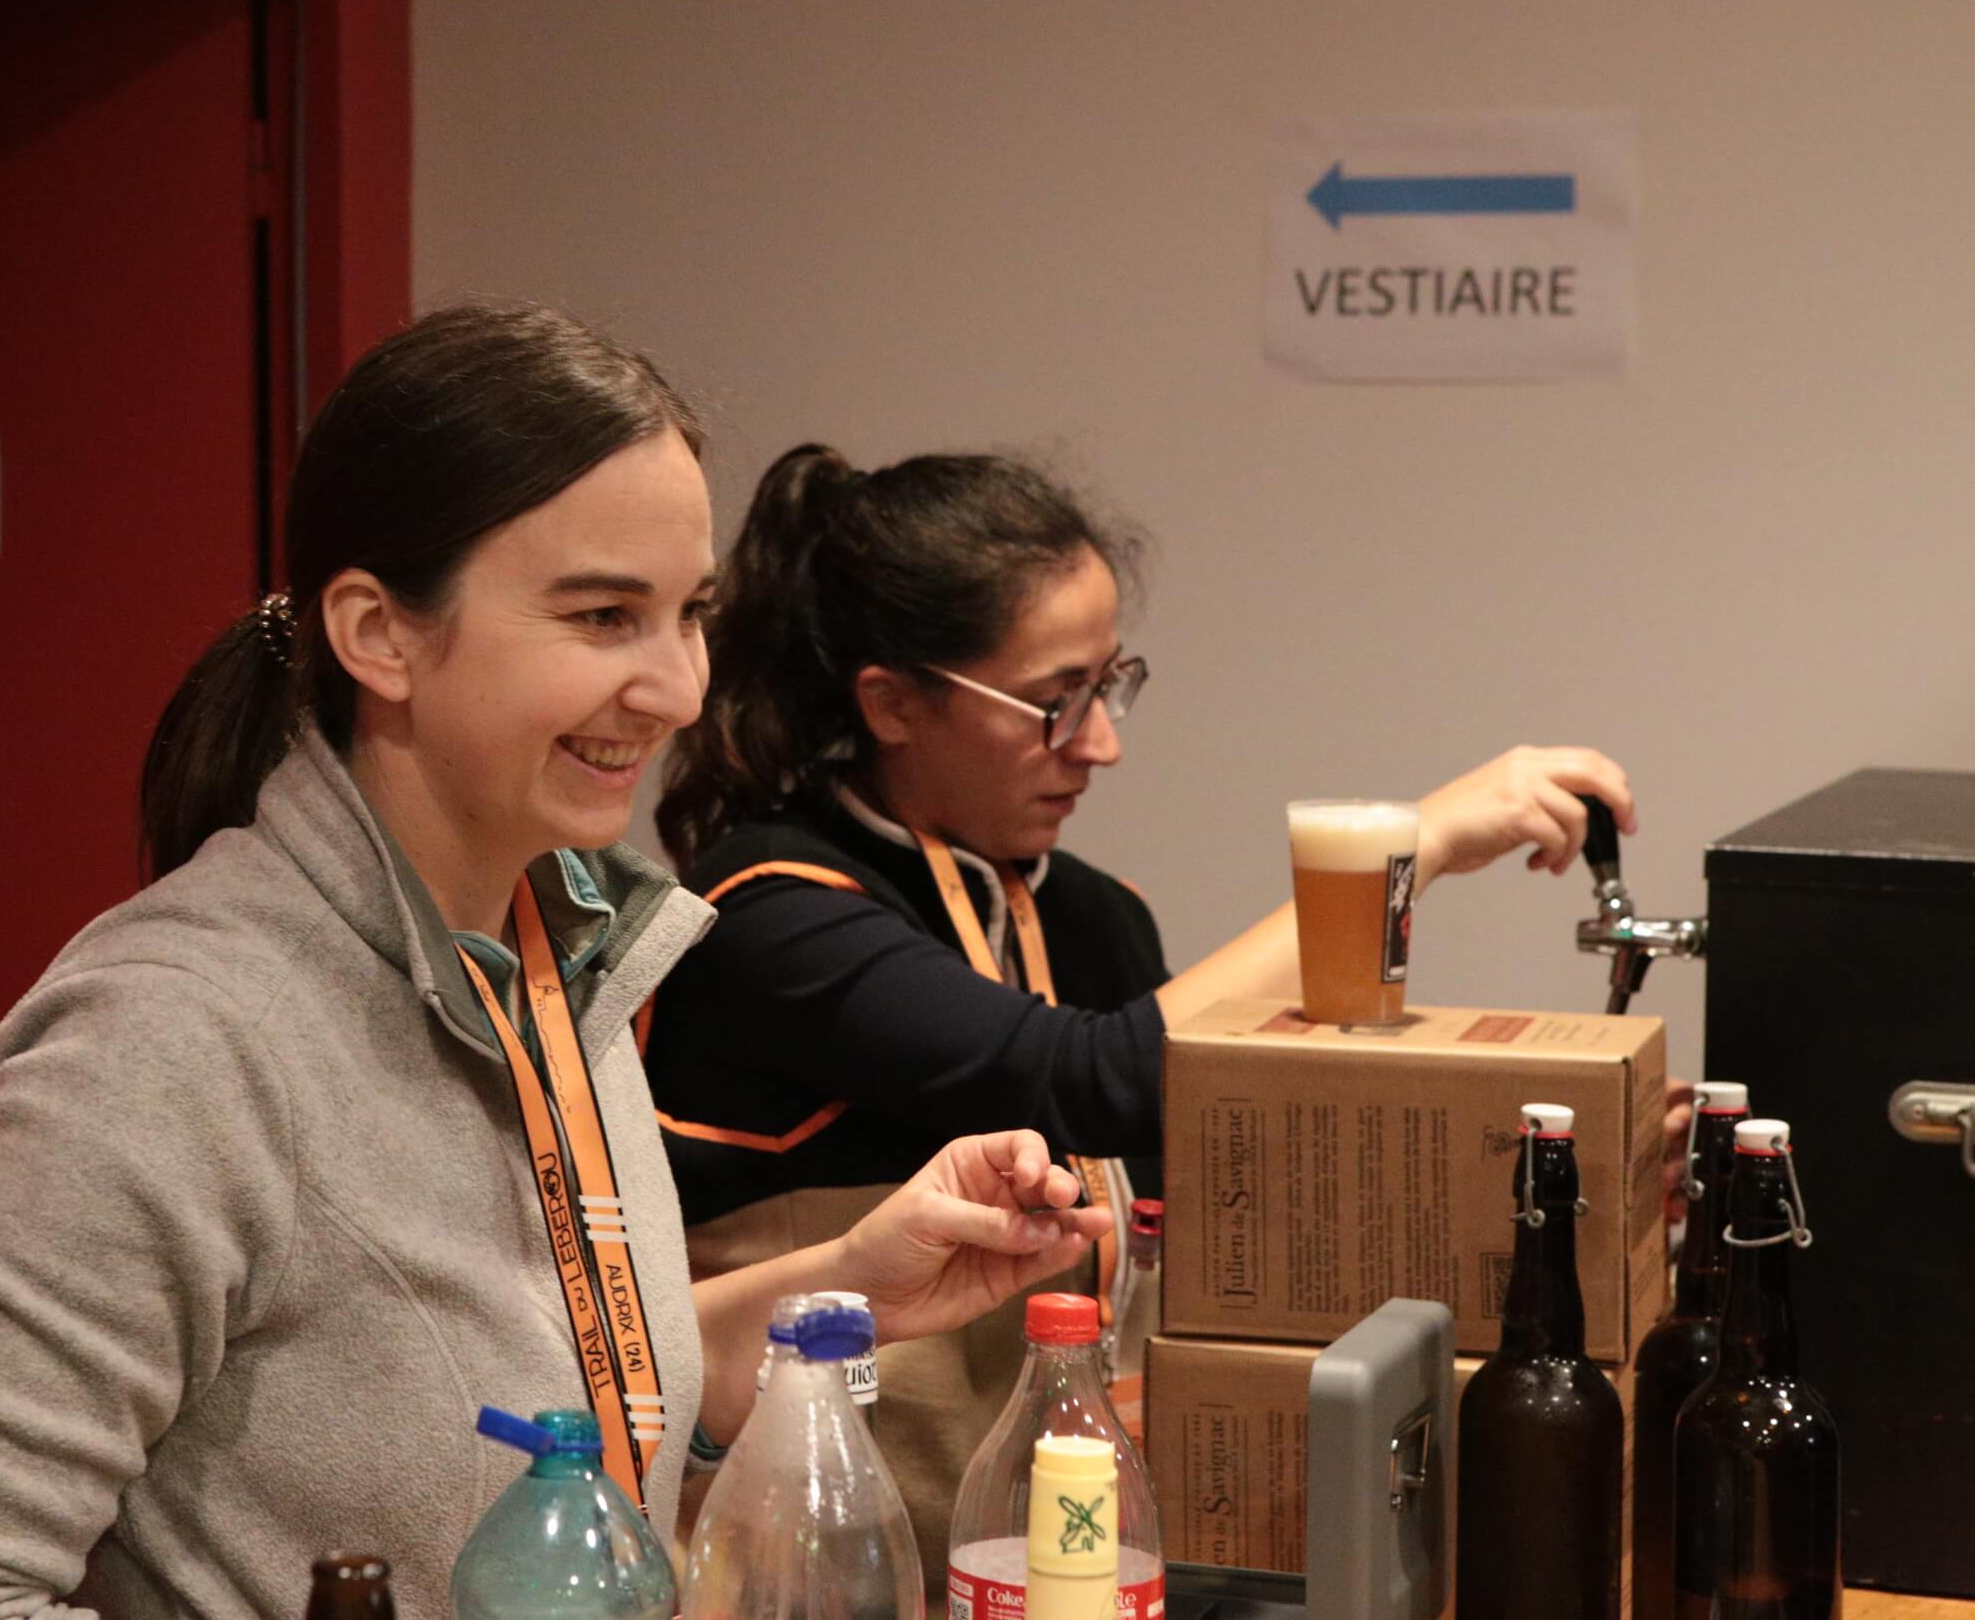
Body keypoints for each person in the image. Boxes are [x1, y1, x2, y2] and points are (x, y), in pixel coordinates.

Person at [0, 312, 1117, 1619]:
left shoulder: (554, 955)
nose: (676, 690)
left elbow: (556, 1427)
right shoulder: (169, 1041)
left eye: (690, 616)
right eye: (602, 616)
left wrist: (846, 1283)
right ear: (379, 635)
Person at [643, 443, 1659, 1583]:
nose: (1101, 744)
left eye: (1109, 686)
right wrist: (1406, 848)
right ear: (891, 702)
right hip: (826, 1569)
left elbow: (1210, 1153)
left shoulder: (1092, 912)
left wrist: (1580, 1181)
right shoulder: (770, 909)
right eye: (1054, 703)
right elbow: (1087, 1081)